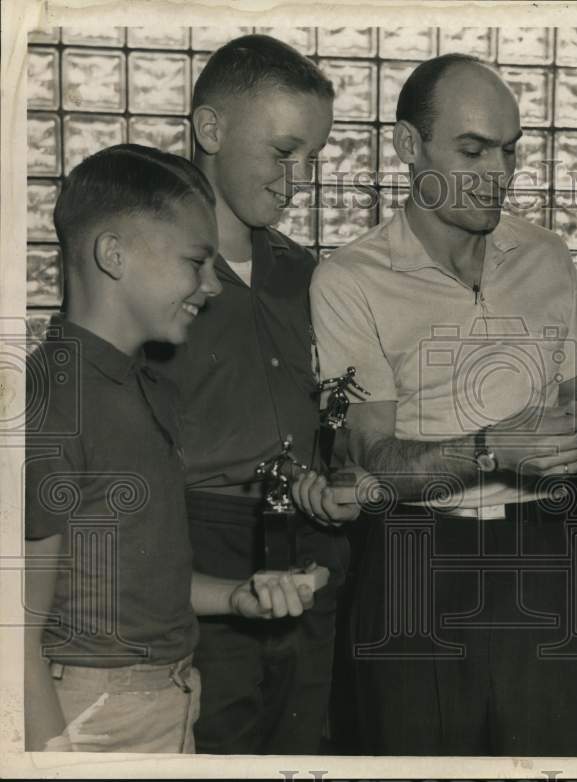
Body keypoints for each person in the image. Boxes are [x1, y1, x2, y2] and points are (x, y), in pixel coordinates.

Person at [310, 53, 577, 756]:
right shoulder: (349, 279)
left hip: (543, 546)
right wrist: (493, 448)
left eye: (509, 151)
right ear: (407, 146)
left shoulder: (547, 254)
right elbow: (373, 464)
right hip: (415, 557)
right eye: (472, 150)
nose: (499, 174)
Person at [24, 144, 317, 753]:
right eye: (195, 262)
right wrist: (50, 761)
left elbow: (136, 575)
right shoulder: (49, 401)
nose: (211, 285)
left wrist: (236, 596)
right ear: (114, 255)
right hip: (88, 714)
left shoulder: (150, 385)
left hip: (174, 694)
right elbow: (13, 631)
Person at [147, 35, 360, 755]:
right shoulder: (151, 275)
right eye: (282, 152)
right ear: (210, 130)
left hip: (306, 548)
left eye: (313, 159)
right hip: (197, 552)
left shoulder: (306, 275)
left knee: (302, 742)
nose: (298, 179)